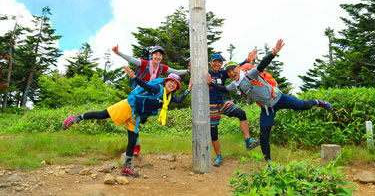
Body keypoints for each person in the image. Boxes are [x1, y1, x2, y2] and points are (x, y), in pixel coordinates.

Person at [208, 39, 332, 169]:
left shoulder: (250, 74)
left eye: (233, 69)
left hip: (279, 98)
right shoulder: (234, 84)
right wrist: (211, 84)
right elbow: (223, 89)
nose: (231, 73)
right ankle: (268, 163)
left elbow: (262, 65)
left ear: (239, 68)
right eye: (228, 72)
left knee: (304, 106)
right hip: (267, 109)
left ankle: (319, 102)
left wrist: (273, 54)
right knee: (263, 136)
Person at [62, 67, 192, 177]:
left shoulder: (169, 96)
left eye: (175, 84)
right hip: (128, 106)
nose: (172, 84)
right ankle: (75, 118)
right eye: (170, 81)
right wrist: (134, 77)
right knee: (102, 114)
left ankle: (126, 166)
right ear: (166, 82)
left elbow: (179, 100)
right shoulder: (158, 89)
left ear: (176, 87)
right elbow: (145, 85)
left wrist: (188, 90)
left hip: (136, 115)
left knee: (132, 139)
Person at [112, 45, 189, 156]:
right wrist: (118, 52)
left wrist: (188, 70)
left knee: (138, 120)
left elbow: (175, 71)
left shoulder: (162, 68)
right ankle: (135, 148)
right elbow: (132, 60)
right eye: (156, 54)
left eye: (160, 55)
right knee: (136, 120)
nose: (158, 57)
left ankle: (137, 138)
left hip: (151, 96)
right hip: (140, 94)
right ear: (151, 55)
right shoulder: (144, 63)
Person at [208, 52, 259, 167]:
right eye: (214, 62)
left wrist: (247, 60)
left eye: (219, 62)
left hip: (222, 102)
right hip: (211, 106)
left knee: (241, 113)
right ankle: (219, 156)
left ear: (221, 64)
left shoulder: (223, 73)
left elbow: (235, 68)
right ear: (210, 63)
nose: (216, 64)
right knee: (214, 132)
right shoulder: (206, 73)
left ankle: (248, 141)